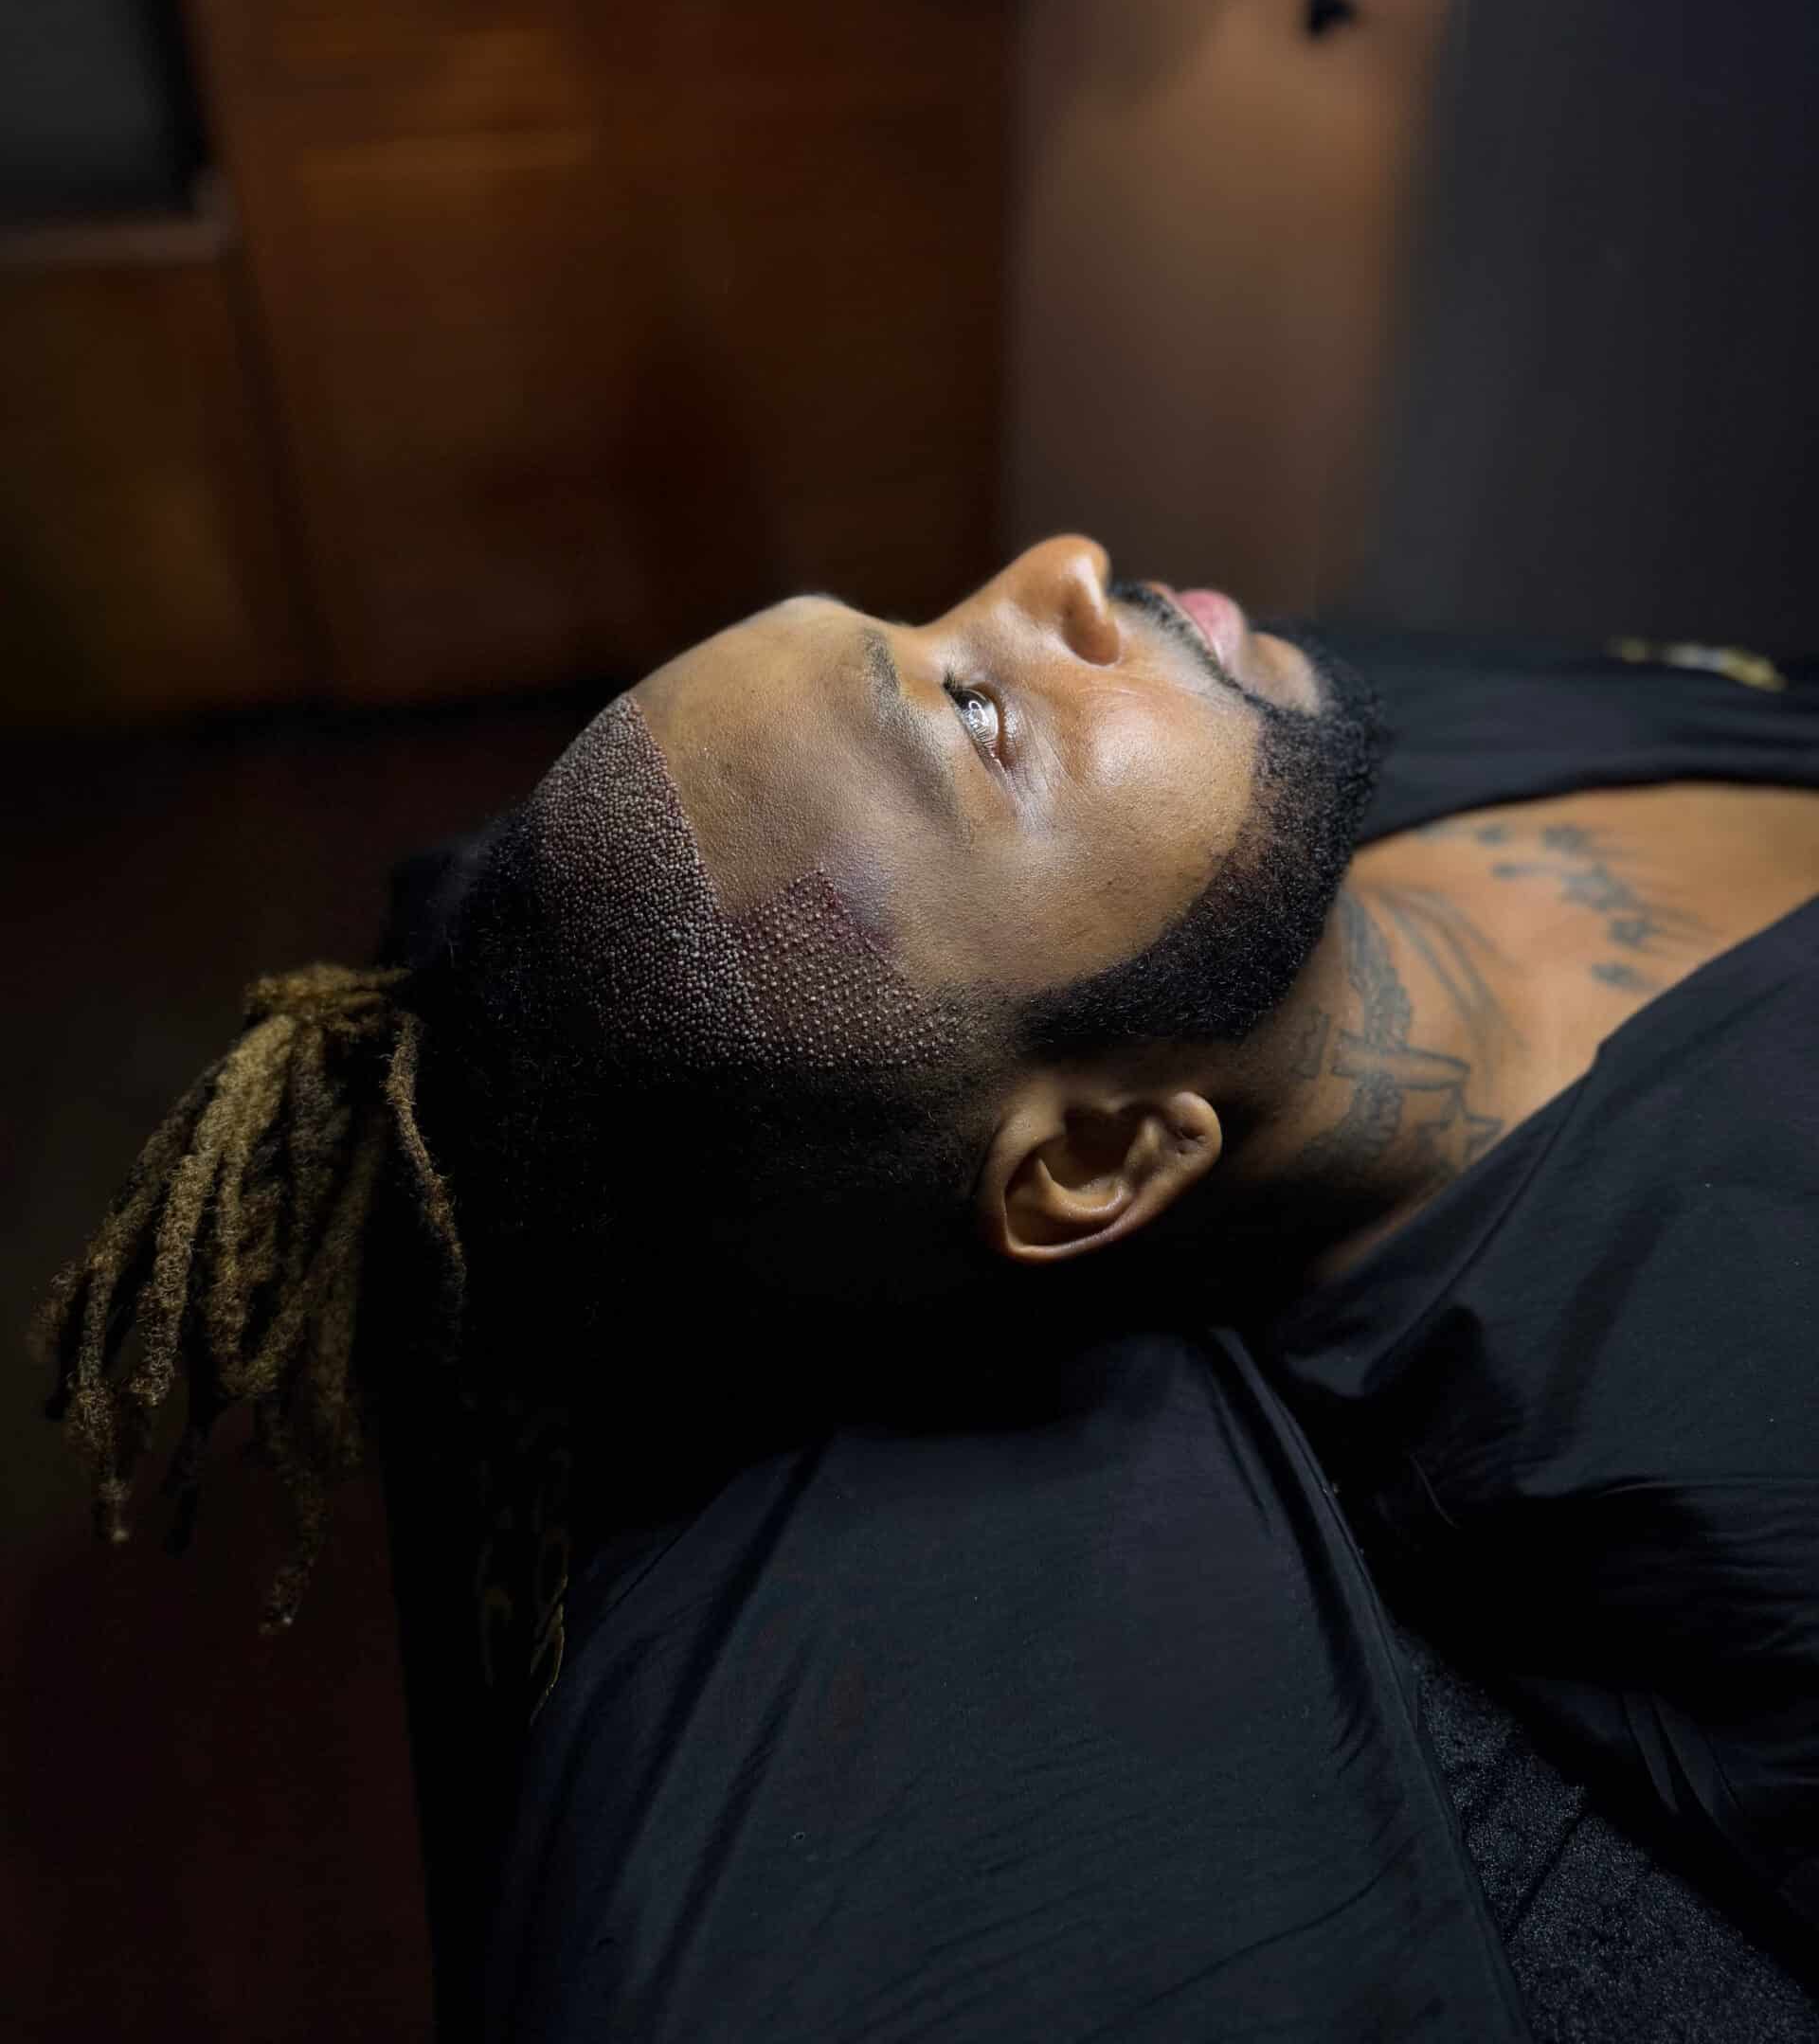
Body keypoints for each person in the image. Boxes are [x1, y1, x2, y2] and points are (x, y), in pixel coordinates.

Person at [34, 538, 1819, 2037]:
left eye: (921, 623)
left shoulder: (1333, 762)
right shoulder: (1702, 1410)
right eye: (979, 719)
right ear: (1095, 1168)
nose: (1060, 567)